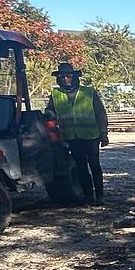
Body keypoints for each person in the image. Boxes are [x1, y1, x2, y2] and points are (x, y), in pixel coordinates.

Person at [46, 63, 109, 204]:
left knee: (94, 166)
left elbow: (100, 114)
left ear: (74, 77)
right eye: (62, 76)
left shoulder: (89, 92)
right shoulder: (56, 95)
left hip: (91, 136)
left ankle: (100, 196)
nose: (65, 78)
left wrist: (104, 134)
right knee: (81, 168)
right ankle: (88, 196)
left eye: (68, 75)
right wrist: (50, 114)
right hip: (72, 138)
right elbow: (50, 110)